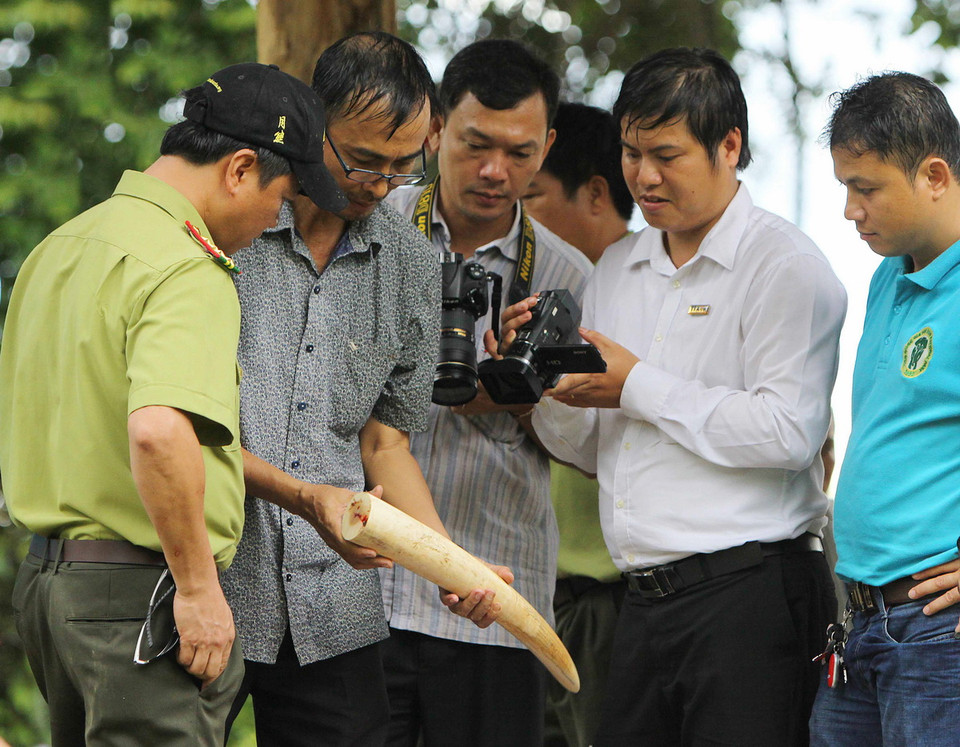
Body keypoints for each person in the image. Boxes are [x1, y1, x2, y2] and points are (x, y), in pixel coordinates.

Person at [494, 47, 847, 745]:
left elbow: (789, 433)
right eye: (631, 153)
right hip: (642, 603)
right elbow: (592, 449)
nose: (644, 176)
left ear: (729, 146)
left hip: (751, 593)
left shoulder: (786, 265)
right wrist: (536, 389)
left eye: (666, 155)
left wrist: (636, 384)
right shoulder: (618, 267)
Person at [1, 63, 348, 746]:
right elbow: (159, 432)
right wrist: (196, 588)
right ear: (240, 169)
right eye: (283, 199)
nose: (275, 222)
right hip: (138, 600)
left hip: (48, 589)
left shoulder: (58, 248)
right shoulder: (186, 266)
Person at [219, 33, 507, 747]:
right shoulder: (231, 225)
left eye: (403, 166)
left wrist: (452, 565)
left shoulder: (412, 263)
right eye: (363, 160)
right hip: (209, 581)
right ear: (312, 122)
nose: (380, 185)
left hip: (333, 603)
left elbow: (385, 443)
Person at [381, 40, 593, 745]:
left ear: (547, 146)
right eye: (476, 145)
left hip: (496, 600)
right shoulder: (373, 228)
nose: (496, 171)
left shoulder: (568, 277)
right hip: (361, 590)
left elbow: (585, 448)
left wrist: (523, 389)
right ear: (436, 127)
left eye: (520, 152)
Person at [809, 71, 960, 746]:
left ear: (934, 175)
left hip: (936, 629)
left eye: (865, 188)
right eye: (845, 187)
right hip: (861, 619)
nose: (850, 209)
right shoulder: (886, 276)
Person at [521, 101, 633, 747]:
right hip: (537, 594)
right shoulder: (538, 300)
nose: (518, 217)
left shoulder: (654, 295)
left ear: (595, 192)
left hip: (612, 600)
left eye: (531, 195)